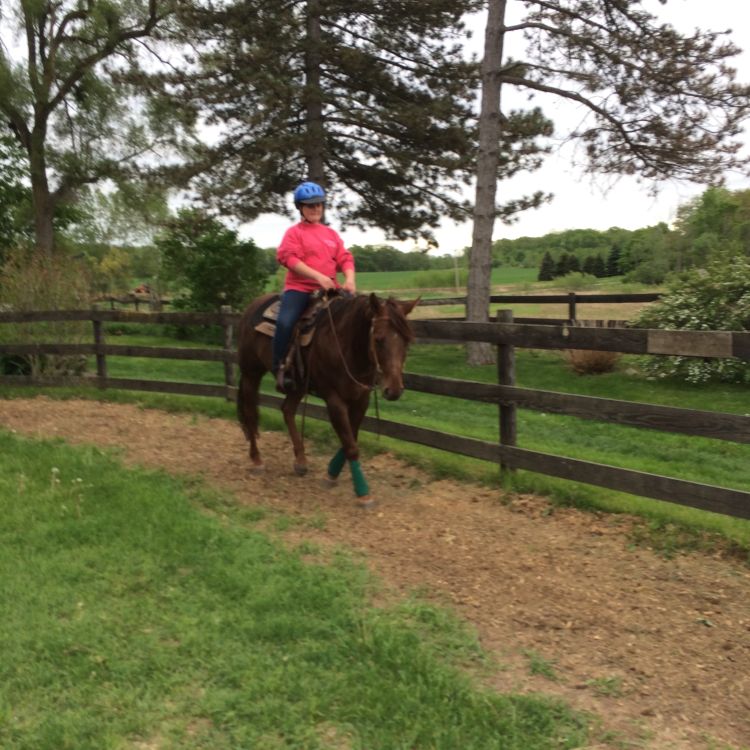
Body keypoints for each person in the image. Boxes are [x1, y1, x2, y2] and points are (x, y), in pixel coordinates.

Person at [272, 181, 356, 392]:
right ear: (300, 207)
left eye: (319, 204)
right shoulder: (294, 233)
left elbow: (345, 258)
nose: (316, 209)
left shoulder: (331, 235)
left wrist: (350, 279)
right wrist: (318, 277)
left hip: (330, 289)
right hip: (299, 289)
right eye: (310, 205)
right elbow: (288, 258)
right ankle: (281, 367)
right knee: (285, 322)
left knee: (359, 319)